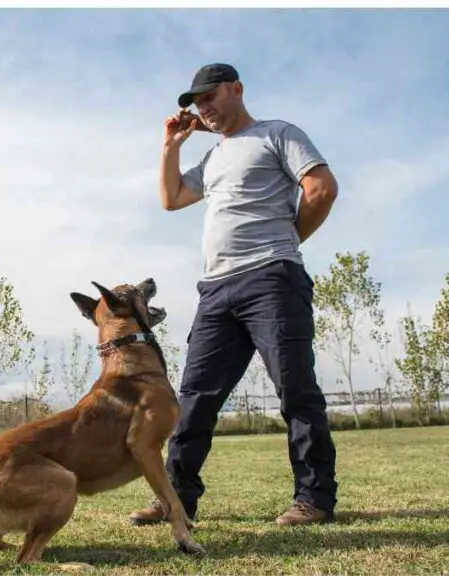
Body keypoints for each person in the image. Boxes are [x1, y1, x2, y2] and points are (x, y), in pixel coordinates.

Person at [130, 63, 340, 527]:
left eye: (209, 97)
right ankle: (174, 500)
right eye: (196, 103)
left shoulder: (277, 134)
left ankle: (314, 499)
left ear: (236, 89)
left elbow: (321, 190)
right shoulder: (212, 159)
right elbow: (170, 198)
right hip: (216, 291)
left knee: (295, 390)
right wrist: (171, 145)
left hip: (271, 281)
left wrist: (284, 246)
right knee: (194, 398)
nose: (202, 108)